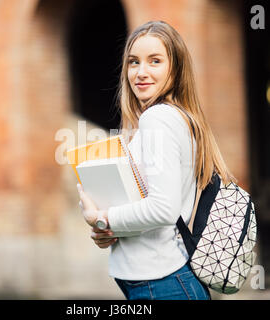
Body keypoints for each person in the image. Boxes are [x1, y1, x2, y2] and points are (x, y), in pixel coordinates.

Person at [76, 20, 236, 300]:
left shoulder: (158, 119)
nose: (141, 72)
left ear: (175, 68)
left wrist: (103, 219)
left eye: (155, 61)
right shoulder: (172, 117)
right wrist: (108, 231)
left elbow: (163, 209)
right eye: (133, 62)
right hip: (161, 281)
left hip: (164, 283)